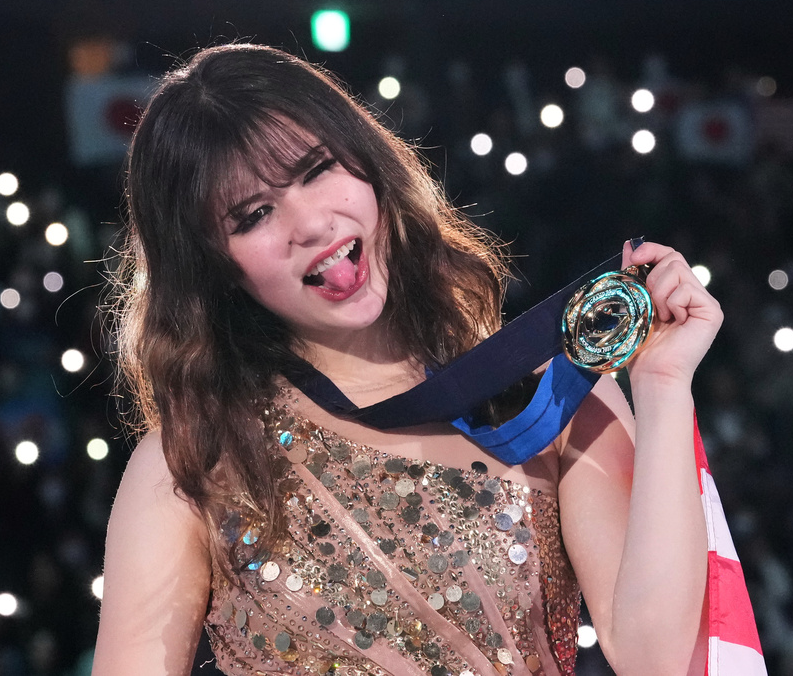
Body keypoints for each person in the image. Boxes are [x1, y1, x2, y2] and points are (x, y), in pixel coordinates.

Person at [92, 43, 721, 676]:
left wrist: (664, 386)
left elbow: (655, 659)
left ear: (369, 167)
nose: (311, 223)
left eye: (317, 170)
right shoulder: (193, 459)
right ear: (211, 266)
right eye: (255, 215)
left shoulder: (544, 391)